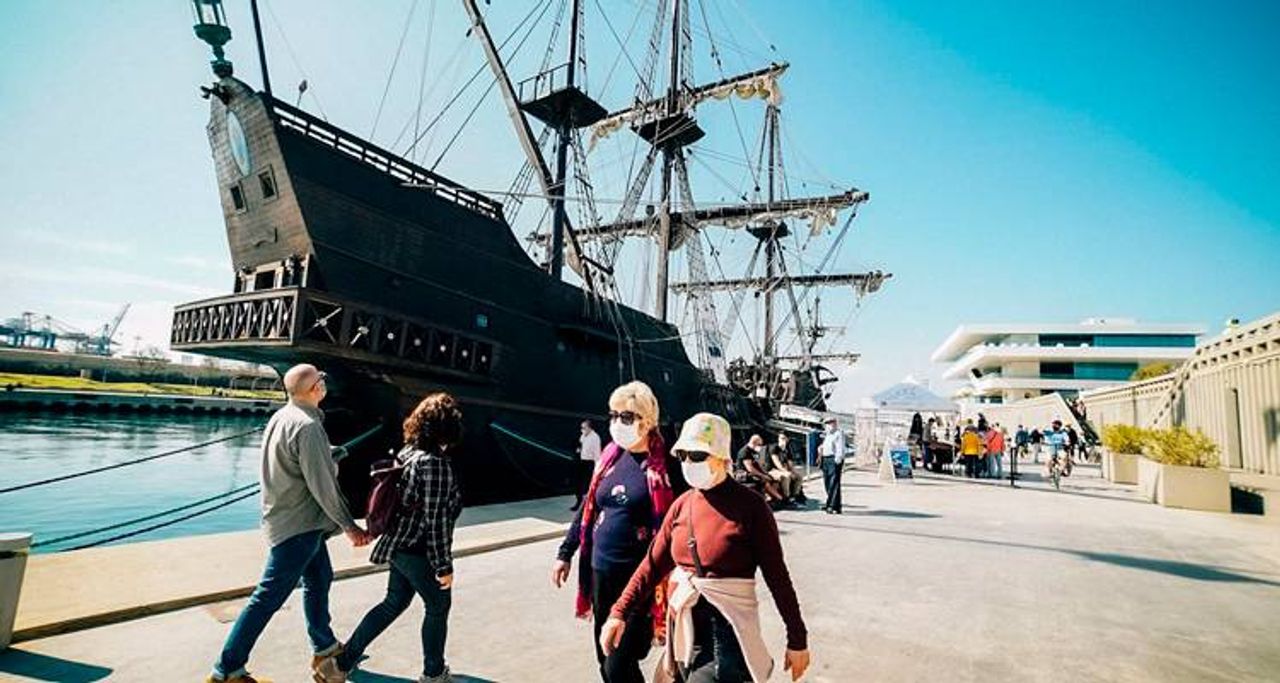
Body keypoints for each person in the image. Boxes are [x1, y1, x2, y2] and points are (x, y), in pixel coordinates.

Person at [600, 413, 811, 683]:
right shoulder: (682, 504)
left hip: (727, 630)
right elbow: (651, 565)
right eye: (683, 455)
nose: (688, 463)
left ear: (722, 457)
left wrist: (797, 639)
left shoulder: (752, 507)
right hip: (684, 626)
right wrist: (618, 613)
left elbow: (777, 577)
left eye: (698, 455)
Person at [207, 364, 370, 683]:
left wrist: (328, 453)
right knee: (267, 597)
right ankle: (226, 670)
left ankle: (324, 646)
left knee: (320, 578)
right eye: (321, 379)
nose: (325, 383)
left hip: (288, 515)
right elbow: (323, 486)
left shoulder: (283, 416)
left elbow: (291, 459)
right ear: (314, 389)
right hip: (299, 524)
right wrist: (350, 526)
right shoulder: (308, 425)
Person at [315, 393, 465, 683]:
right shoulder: (434, 463)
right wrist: (444, 567)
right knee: (438, 606)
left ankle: (339, 665)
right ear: (448, 427)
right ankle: (434, 674)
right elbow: (435, 521)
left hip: (398, 544)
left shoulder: (407, 454)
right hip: (418, 549)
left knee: (393, 602)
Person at [551, 381, 680, 683]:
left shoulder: (665, 467)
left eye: (626, 417)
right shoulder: (610, 457)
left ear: (646, 421)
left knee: (617, 663)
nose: (617, 423)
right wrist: (565, 552)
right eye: (613, 415)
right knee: (604, 655)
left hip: (639, 579)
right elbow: (589, 506)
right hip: (601, 573)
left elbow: (684, 516)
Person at [735, 434, 784, 504]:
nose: (760, 446)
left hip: (752, 473)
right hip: (744, 474)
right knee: (764, 481)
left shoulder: (753, 451)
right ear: (754, 443)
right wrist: (763, 476)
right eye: (759, 444)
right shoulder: (745, 452)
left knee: (774, 480)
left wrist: (765, 473)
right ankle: (780, 499)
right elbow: (750, 468)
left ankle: (773, 498)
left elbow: (757, 465)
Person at [573, 420, 604, 511]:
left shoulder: (595, 438)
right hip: (581, 461)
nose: (582, 430)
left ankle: (588, 505)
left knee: (588, 484)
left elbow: (597, 453)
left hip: (589, 463)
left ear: (589, 428)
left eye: (583, 428)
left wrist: (597, 467)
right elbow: (581, 446)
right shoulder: (583, 436)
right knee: (578, 482)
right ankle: (578, 501)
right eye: (581, 428)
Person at [767, 432, 805, 505]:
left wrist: (793, 472)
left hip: (782, 469)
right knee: (786, 476)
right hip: (773, 469)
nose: (782, 440)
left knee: (799, 477)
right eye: (780, 438)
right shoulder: (774, 447)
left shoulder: (788, 449)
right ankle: (786, 497)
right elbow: (776, 462)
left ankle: (794, 496)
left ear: (787, 439)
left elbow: (790, 464)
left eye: (784, 438)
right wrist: (786, 472)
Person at [819, 417, 846, 514]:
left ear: (835, 423)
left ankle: (832, 506)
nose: (829, 425)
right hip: (826, 459)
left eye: (831, 423)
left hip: (833, 459)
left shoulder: (838, 433)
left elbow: (840, 448)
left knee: (833, 483)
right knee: (827, 483)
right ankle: (834, 505)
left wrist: (837, 460)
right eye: (827, 423)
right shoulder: (828, 434)